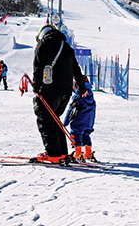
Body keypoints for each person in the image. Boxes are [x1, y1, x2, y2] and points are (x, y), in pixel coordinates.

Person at [31, 24, 88, 164]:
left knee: (45, 119)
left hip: (49, 89)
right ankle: (62, 152)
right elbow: (76, 69)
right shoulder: (66, 47)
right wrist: (81, 87)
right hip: (66, 91)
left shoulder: (44, 44)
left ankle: (54, 154)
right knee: (55, 119)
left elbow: (38, 66)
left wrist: (36, 87)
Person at [64, 80, 97, 162]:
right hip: (89, 121)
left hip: (79, 119)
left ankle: (78, 154)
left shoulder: (77, 97)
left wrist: (65, 122)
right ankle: (88, 153)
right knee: (86, 134)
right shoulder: (91, 96)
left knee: (76, 134)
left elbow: (70, 110)